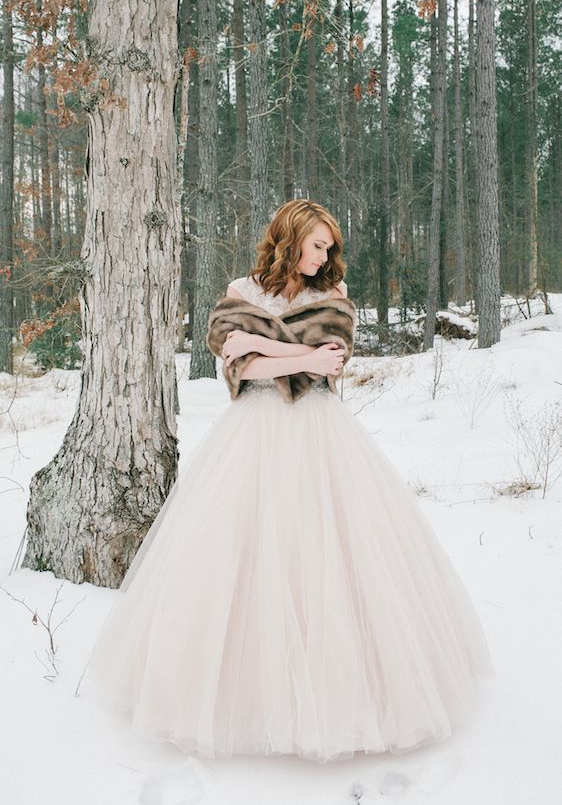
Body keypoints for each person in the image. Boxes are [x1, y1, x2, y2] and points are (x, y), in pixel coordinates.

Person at [86, 198, 495, 763]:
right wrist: (274, 353)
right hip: (250, 434)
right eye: (318, 243)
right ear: (291, 235)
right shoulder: (242, 289)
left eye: (330, 247)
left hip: (319, 432)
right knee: (239, 557)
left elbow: (326, 364)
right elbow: (237, 368)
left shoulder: (333, 298)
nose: (325, 255)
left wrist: (257, 343)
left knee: (329, 556)